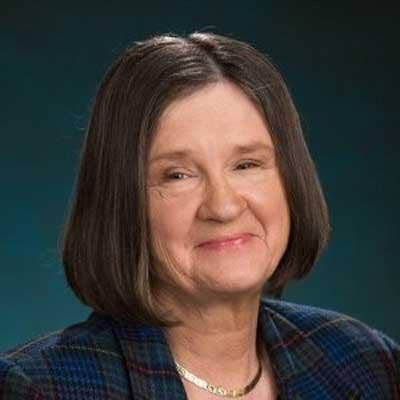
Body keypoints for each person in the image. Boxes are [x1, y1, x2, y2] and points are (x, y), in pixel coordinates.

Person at [0, 31, 398, 400]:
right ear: (121, 203)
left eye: (247, 164)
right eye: (177, 175)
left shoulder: (365, 363)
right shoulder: (41, 387)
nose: (223, 207)